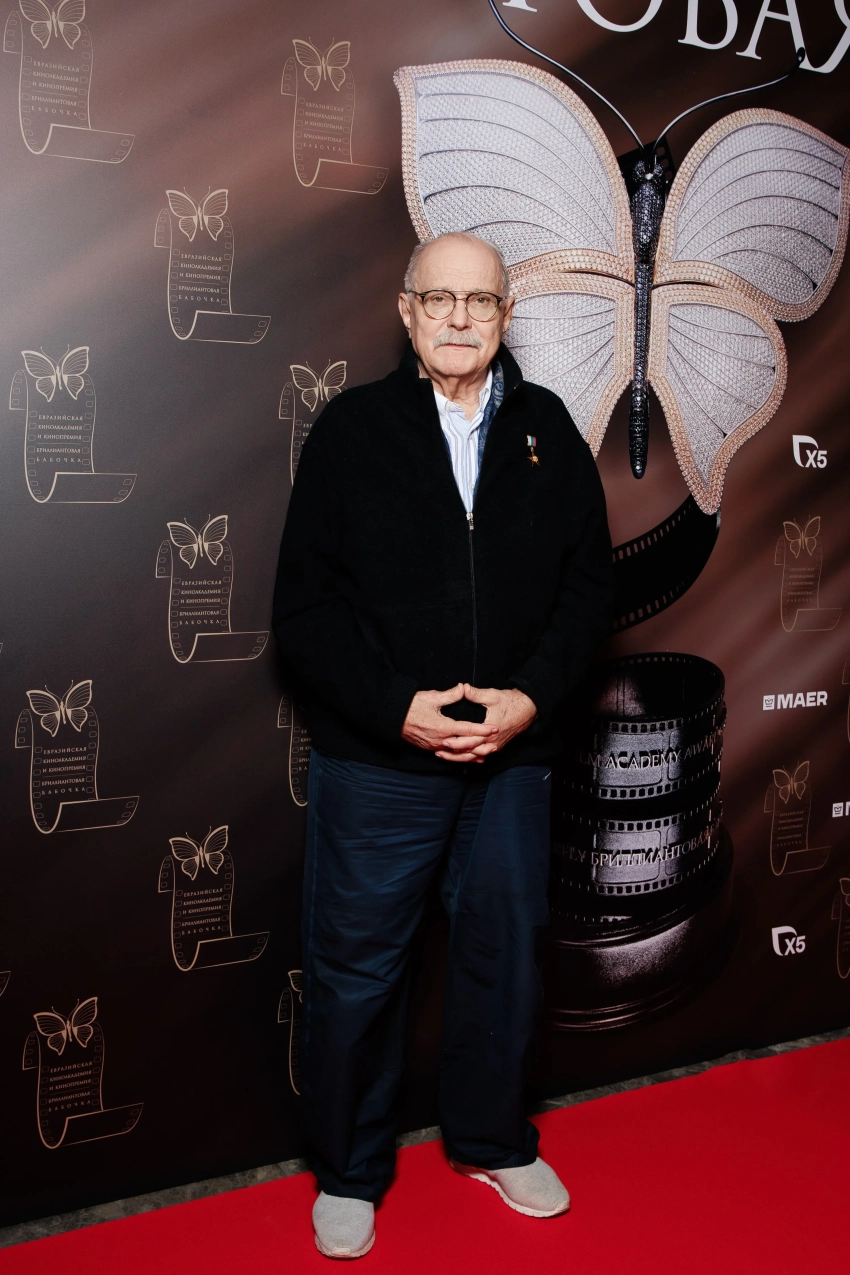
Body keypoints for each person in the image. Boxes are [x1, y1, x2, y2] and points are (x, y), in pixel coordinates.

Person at [273, 231, 612, 1259]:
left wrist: (530, 699)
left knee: (505, 963)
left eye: (481, 300)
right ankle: (349, 1170)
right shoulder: (352, 431)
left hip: (513, 763)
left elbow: (588, 592)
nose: (460, 317)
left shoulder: (547, 428)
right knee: (356, 975)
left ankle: (493, 1140)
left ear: (506, 315)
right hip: (382, 763)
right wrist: (396, 709)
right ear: (407, 311)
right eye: (440, 299)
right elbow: (304, 613)